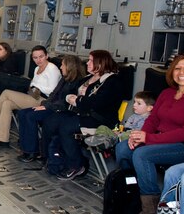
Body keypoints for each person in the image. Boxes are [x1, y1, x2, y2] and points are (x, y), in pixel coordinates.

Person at [115, 53, 184, 213]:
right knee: (123, 148)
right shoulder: (167, 93)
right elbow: (153, 119)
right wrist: (139, 136)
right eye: (177, 68)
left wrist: (148, 138)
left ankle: (151, 206)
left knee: (142, 154)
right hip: (166, 141)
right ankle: (133, 192)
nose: (182, 73)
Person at [42, 50, 125, 181]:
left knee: (66, 127)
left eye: (91, 60)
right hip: (81, 113)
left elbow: (96, 103)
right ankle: (52, 159)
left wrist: (77, 100)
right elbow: (68, 95)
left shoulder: (112, 81)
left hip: (99, 119)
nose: (88, 63)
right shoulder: (87, 78)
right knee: (51, 121)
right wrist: (73, 98)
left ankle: (76, 165)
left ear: (101, 63)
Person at [0, 45, 61, 149]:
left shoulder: (52, 68)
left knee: (6, 93)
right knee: (7, 104)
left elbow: (52, 90)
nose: (38, 60)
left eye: (41, 57)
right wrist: (30, 86)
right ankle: (2, 139)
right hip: (33, 96)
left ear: (46, 56)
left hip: (44, 101)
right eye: (35, 57)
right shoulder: (37, 68)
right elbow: (32, 85)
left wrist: (35, 86)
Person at [15, 54, 85, 163]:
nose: (61, 67)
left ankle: (32, 151)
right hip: (51, 105)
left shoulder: (77, 82)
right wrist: (45, 103)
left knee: (30, 116)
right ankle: (25, 148)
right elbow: (54, 94)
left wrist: (47, 106)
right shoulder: (64, 79)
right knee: (22, 113)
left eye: (62, 65)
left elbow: (65, 103)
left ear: (69, 66)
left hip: (59, 110)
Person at [84, 91, 155, 149]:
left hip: (130, 137)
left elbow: (140, 133)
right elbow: (125, 128)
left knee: (129, 134)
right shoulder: (133, 116)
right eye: (134, 102)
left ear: (149, 108)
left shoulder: (149, 119)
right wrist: (118, 131)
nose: (134, 105)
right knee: (102, 127)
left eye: (138, 103)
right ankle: (99, 139)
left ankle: (109, 141)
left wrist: (123, 133)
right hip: (120, 135)